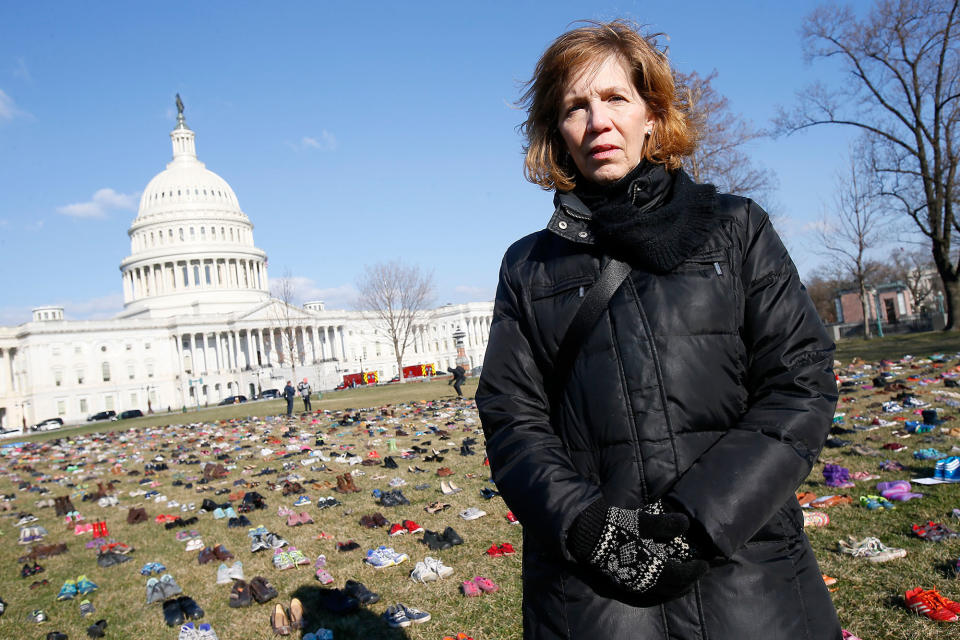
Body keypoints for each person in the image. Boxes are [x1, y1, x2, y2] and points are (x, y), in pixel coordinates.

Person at [476, 21, 841, 640]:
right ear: (556, 133)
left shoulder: (735, 228)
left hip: (745, 571)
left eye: (616, 98)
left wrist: (697, 524)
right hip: (595, 591)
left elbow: (799, 383)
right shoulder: (528, 265)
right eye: (575, 107)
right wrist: (589, 528)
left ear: (652, 114)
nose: (598, 122)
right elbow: (512, 417)